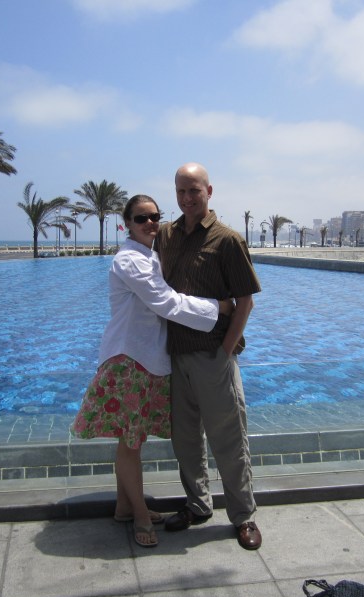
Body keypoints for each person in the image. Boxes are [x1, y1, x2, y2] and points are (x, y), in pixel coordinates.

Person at [71, 194, 233, 548]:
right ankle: (141, 516)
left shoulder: (150, 257)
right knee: (130, 444)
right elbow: (167, 302)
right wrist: (219, 308)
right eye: (141, 218)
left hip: (142, 360)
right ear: (126, 223)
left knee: (131, 442)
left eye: (155, 217)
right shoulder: (131, 261)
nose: (150, 223)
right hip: (130, 361)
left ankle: (124, 507)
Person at [154, 162, 263, 550]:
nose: (186, 198)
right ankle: (198, 505)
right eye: (181, 191)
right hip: (175, 356)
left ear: (209, 192)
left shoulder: (226, 240)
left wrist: (225, 350)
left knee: (228, 440)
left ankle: (243, 515)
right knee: (185, 441)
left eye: (194, 191)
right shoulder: (165, 236)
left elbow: (244, 301)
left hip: (213, 356)